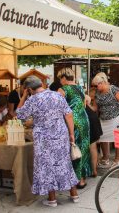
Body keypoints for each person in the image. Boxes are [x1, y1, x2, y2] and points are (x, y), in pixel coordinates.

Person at [16, 76, 79, 207]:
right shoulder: (57, 95)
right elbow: (69, 114)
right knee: (64, 163)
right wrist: (71, 134)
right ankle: (74, 194)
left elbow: (20, 115)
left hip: (43, 139)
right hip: (61, 135)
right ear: (41, 84)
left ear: (29, 89)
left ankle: (52, 199)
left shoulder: (33, 99)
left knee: (46, 166)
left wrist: (23, 97)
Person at [57, 68, 91, 189]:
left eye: (60, 78)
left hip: (72, 121)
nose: (59, 81)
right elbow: (84, 103)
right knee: (83, 148)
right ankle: (82, 178)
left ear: (64, 78)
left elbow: (58, 107)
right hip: (84, 120)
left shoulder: (63, 89)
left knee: (72, 148)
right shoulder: (80, 88)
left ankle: (74, 179)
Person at [92, 72, 119, 168]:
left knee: (118, 138)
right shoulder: (97, 93)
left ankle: (117, 158)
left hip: (116, 117)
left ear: (101, 83)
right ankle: (105, 157)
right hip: (103, 119)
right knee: (103, 138)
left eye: (95, 85)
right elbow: (95, 108)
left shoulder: (113, 89)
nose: (94, 88)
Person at [86, 88, 103, 178]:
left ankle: (92, 169)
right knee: (93, 146)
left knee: (91, 146)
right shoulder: (85, 96)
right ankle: (94, 170)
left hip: (87, 120)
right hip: (93, 119)